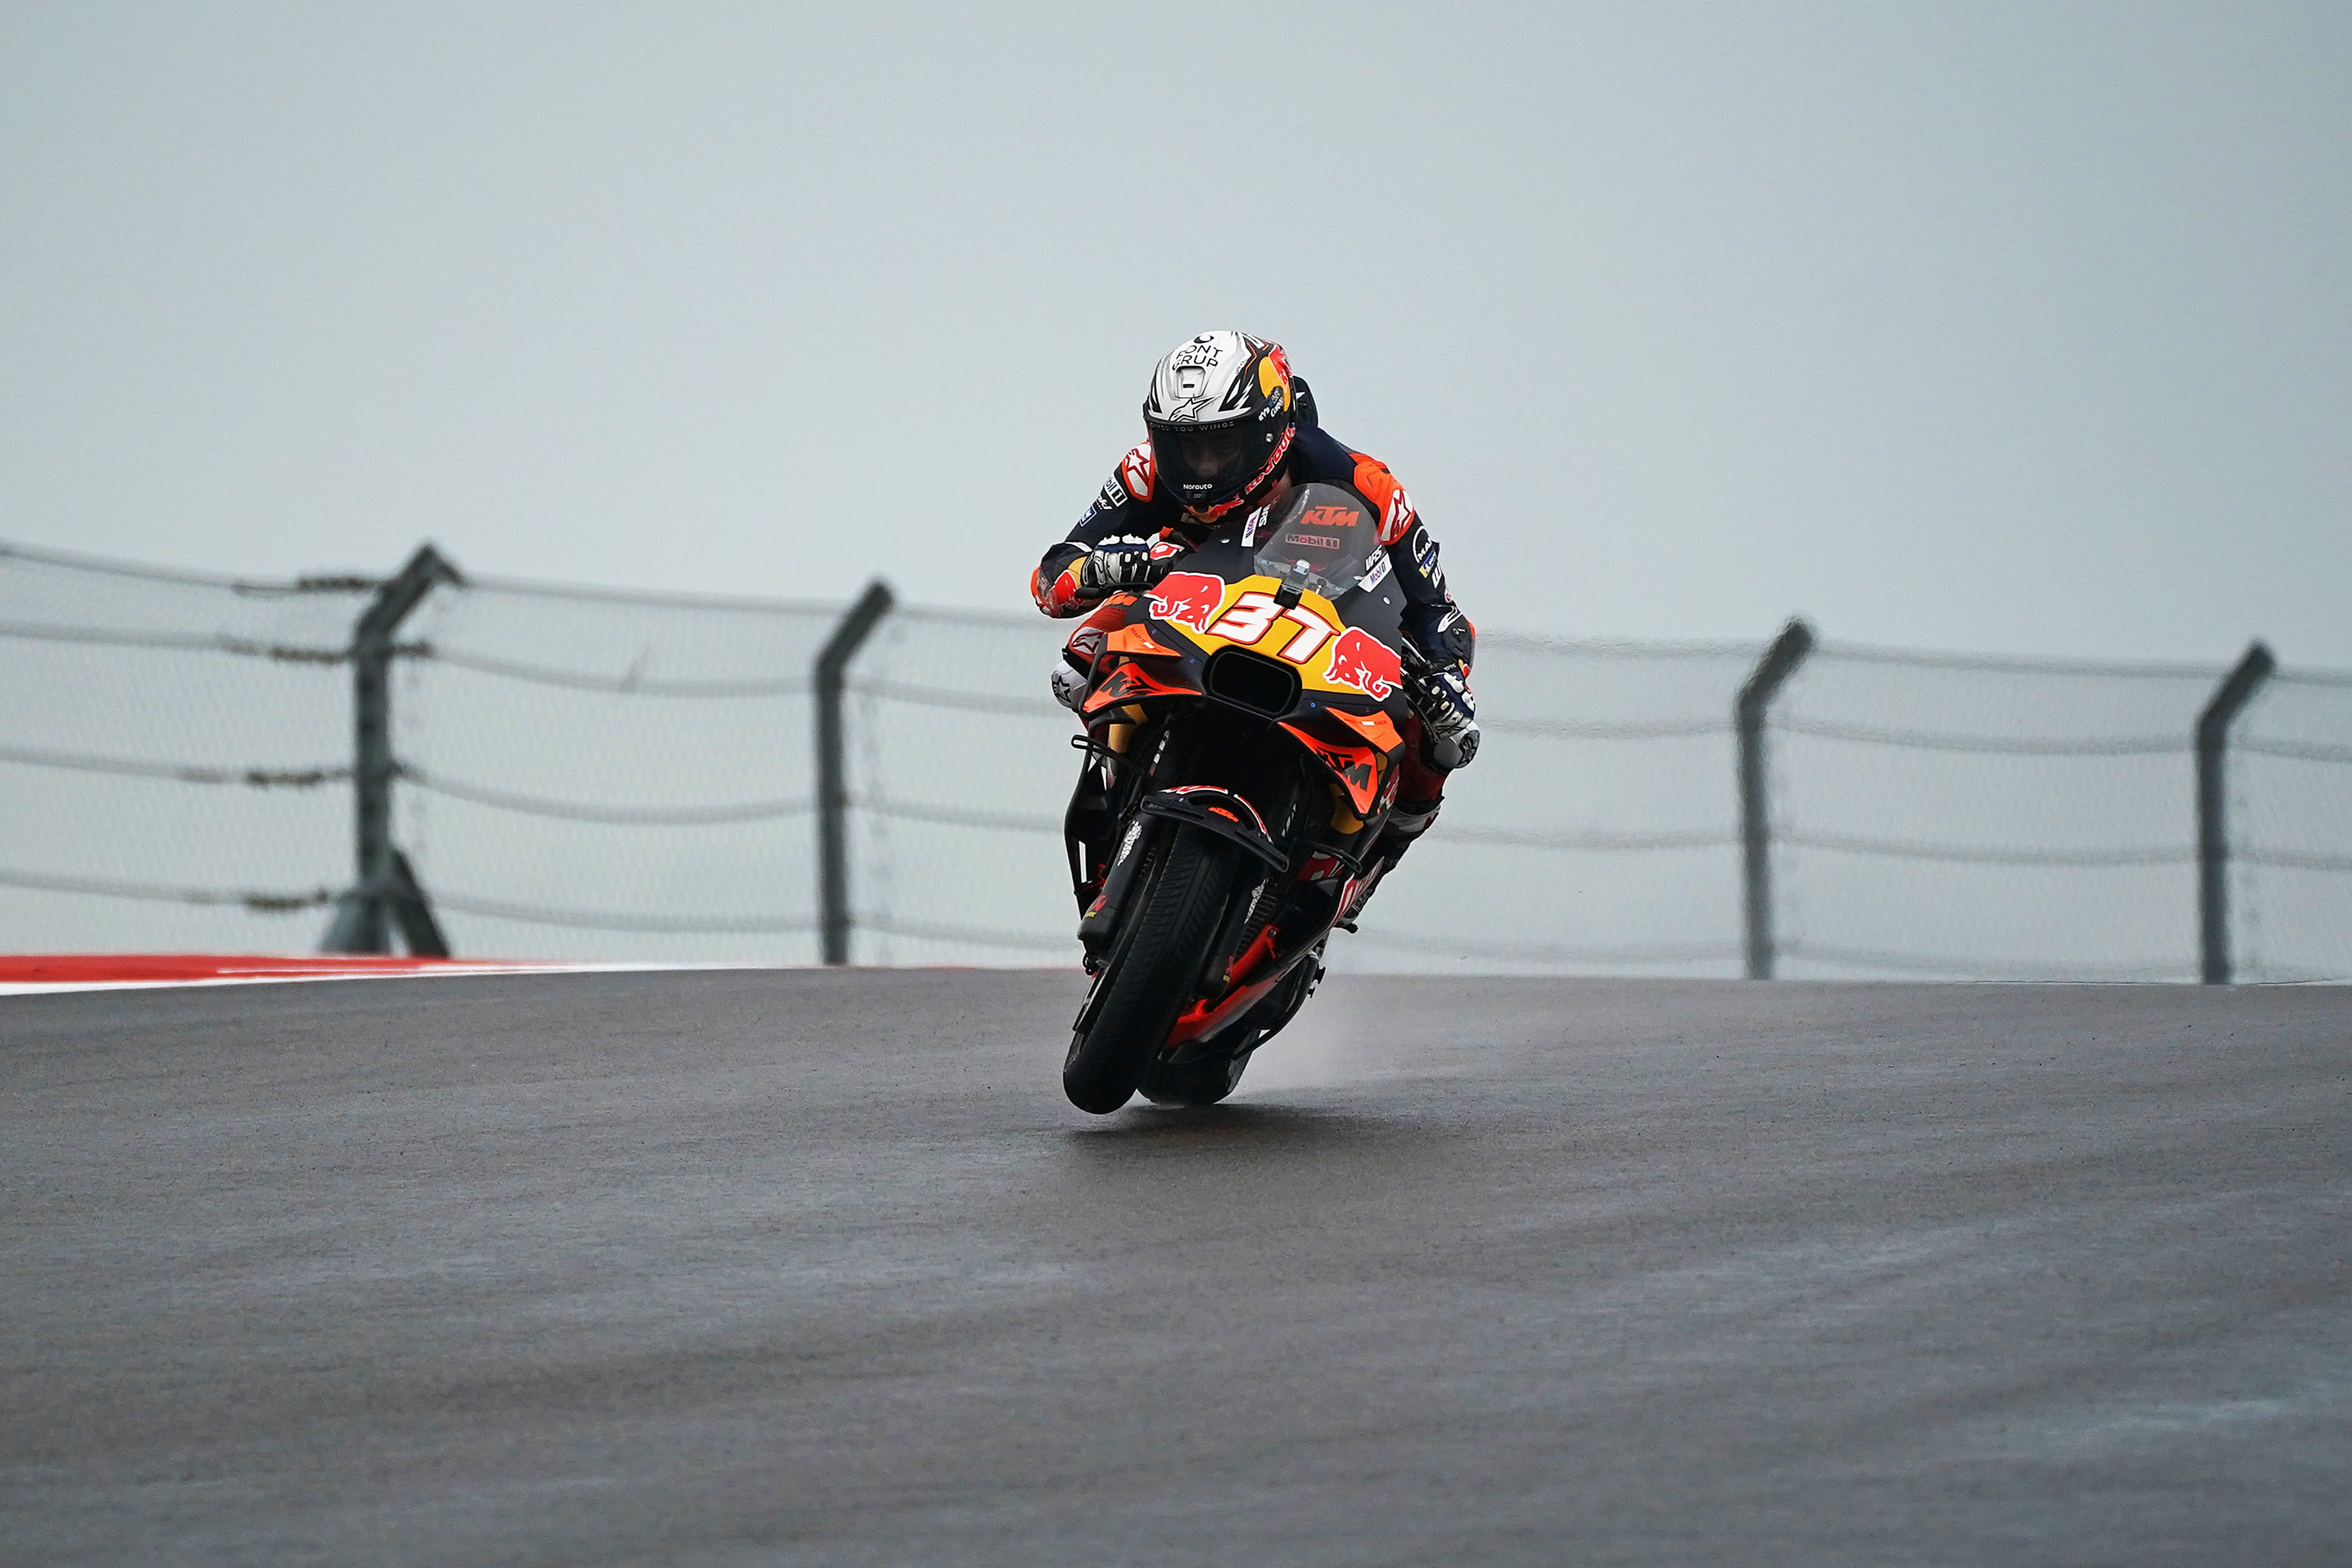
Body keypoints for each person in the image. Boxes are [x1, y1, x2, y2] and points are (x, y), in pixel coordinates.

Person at [1031, 330, 1478, 920]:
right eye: (1181, 447)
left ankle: (1366, 865)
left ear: (1273, 429)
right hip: (1192, 605)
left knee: (1441, 739)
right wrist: (1114, 565)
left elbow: (1439, 610)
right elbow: (1051, 579)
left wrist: (1447, 677)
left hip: (1324, 621)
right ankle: (1120, 792)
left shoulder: (1367, 483)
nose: (1200, 469)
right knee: (1077, 660)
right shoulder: (1144, 472)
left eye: (1220, 446)